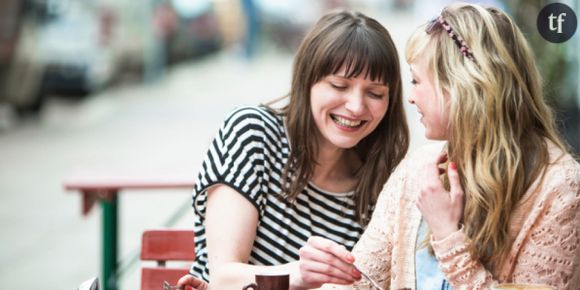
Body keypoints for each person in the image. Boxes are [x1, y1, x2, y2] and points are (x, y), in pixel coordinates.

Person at [305, 3, 580, 289]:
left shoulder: (559, 187)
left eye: (416, 81)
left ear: (460, 85)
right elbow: (360, 281)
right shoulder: (418, 169)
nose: (410, 98)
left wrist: (448, 237)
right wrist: (326, 273)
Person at [177, 10, 410, 290]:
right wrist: (300, 274)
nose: (357, 106)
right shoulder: (254, 132)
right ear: (307, 81)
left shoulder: (381, 182)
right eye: (339, 85)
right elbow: (223, 277)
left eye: (374, 93)